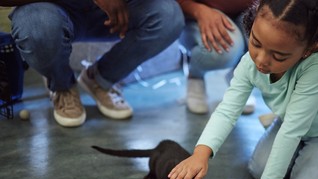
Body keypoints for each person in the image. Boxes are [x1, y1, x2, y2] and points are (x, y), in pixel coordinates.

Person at [167, 0, 318, 179]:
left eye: (278, 56)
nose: (261, 61)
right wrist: (201, 153)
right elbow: (228, 109)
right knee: (258, 170)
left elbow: (293, 128)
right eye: (255, 42)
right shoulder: (250, 62)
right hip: (289, 121)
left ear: (309, 48)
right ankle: (292, 138)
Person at [2, 0, 184, 127]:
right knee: (36, 27)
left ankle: (100, 79)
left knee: (169, 15)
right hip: (51, 11)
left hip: (111, 12)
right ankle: (61, 86)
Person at [177, 0, 256, 115]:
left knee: (266, 40)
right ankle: (195, 76)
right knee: (225, 48)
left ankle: (240, 77)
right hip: (199, 11)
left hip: (248, 9)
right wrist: (198, 10)